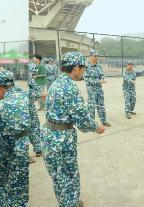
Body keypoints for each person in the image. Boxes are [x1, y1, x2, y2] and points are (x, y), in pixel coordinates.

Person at [42, 51, 105, 207]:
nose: (83, 72)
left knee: (58, 178)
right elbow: (83, 120)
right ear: (76, 68)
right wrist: (97, 127)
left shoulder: (56, 83)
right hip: (62, 140)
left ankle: (66, 203)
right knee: (69, 178)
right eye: (83, 68)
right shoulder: (69, 87)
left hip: (49, 136)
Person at [0, 70, 31, 206]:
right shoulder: (25, 97)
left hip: (7, 151)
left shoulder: (1, 105)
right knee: (21, 187)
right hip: (23, 149)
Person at [84, 50, 110, 127]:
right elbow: (87, 80)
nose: (96, 57)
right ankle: (91, 123)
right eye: (95, 56)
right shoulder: (86, 67)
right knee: (91, 106)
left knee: (101, 105)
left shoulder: (99, 66)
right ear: (90, 56)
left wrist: (102, 79)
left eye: (97, 56)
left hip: (99, 89)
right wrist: (98, 81)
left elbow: (102, 75)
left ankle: (104, 120)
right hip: (91, 90)